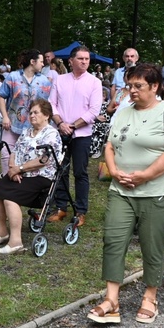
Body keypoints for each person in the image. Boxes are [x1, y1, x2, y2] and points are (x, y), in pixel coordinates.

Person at [88, 63, 164, 325]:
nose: (131, 91)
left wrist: (145, 175)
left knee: (152, 245)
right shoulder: (122, 112)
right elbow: (109, 146)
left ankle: (150, 297)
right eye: (129, 85)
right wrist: (113, 170)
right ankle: (111, 300)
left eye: (138, 86)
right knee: (113, 240)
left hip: (157, 192)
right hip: (121, 190)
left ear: (155, 87)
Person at [0, 99, 63, 254]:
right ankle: (2, 232)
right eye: (31, 112)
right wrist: (13, 168)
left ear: (47, 115)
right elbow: (15, 151)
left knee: (10, 197)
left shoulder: (51, 134)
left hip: (41, 176)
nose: (32, 115)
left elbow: (43, 160)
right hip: (22, 172)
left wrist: (19, 169)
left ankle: (16, 242)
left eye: (36, 112)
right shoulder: (27, 131)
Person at [49, 45, 103, 226]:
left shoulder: (94, 82)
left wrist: (72, 126)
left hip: (82, 134)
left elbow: (94, 110)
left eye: (87, 59)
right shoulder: (60, 80)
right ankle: (61, 207)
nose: (84, 62)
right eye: (81, 59)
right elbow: (51, 104)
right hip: (60, 132)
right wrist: (60, 124)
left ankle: (80, 211)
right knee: (60, 170)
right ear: (71, 61)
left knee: (80, 172)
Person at [0, 49, 52, 176]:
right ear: (33, 62)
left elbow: (47, 103)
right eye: (41, 61)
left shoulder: (44, 81)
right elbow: (1, 96)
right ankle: (7, 178)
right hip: (12, 124)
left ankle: (25, 182)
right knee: (6, 153)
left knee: (29, 154)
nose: (43, 64)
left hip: (34, 127)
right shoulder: (13, 77)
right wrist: (4, 117)